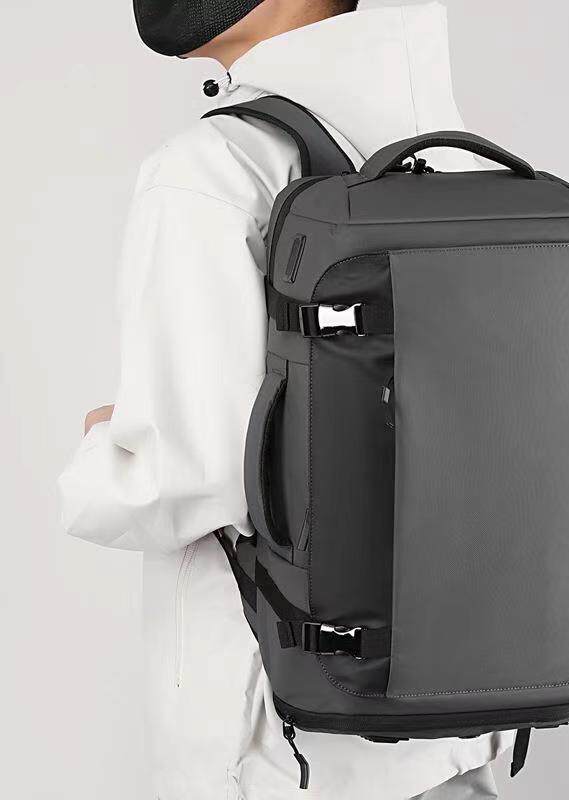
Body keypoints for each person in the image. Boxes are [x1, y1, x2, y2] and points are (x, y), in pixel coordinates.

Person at [59, 2, 511, 798]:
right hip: (455, 738)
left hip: (286, 755)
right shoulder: (460, 152)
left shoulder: (216, 169)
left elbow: (185, 478)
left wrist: (107, 449)